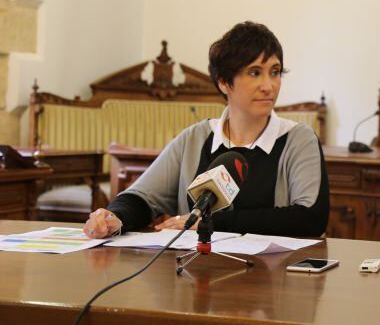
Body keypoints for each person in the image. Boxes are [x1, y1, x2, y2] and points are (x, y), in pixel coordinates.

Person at [84, 22, 329, 238]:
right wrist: (113, 217)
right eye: (255, 73)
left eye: (275, 72)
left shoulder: (298, 139)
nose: (269, 86)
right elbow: (141, 198)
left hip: (272, 272)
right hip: (197, 271)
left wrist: (211, 224)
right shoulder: (195, 138)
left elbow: (310, 218)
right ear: (223, 82)